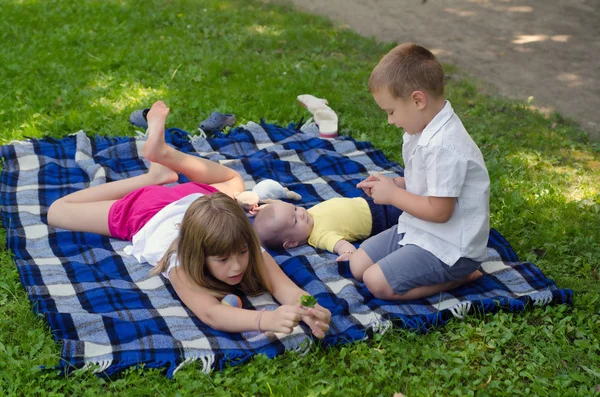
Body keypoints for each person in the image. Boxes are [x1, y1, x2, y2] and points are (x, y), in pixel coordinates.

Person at [47, 100, 331, 337]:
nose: (237, 266)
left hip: (198, 197)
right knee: (58, 211)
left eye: (242, 253)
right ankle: (153, 174)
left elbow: (285, 288)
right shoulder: (184, 265)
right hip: (148, 210)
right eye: (222, 260)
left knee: (234, 180)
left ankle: (163, 159)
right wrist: (263, 320)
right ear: (198, 254)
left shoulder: (244, 245)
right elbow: (212, 313)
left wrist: (309, 307)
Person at [349, 43, 490, 301]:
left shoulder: (445, 145)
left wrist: (392, 196)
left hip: (451, 247)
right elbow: (428, 183)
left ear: (417, 100)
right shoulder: (421, 130)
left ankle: (462, 276)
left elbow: (440, 211)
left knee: (375, 282)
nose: (390, 120)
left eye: (391, 112)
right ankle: (424, 268)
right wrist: (397, 183)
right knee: (358, 264)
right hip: (421, 230)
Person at [252, 192, 403, 262]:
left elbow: (281, 209)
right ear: (291, 243)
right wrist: (349, 253)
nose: (301, 213)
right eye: (296, 220)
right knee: (411, 208)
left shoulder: (307, 216)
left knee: (404, 188)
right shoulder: (319, 236)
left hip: (368, 200)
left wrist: (267, 206)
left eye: (296, 209)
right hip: (383, 218)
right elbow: (340, 245)